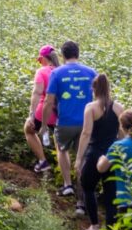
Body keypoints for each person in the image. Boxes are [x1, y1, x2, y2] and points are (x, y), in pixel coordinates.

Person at [41, 41, 97, 200]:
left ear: (63, 55)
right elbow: (100, 98)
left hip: (64, 121)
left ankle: (67, 185)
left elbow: (49, 101)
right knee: (82, 157)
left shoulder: (57, 73)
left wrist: (44, 125)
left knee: (62, 149)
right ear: (77, 54)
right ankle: (82, 199)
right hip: (86, 123)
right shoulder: (91, 72)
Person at [75, 74, 124, 230]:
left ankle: (94, 225)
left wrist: (79, 158)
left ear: (94, 89)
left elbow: (86, 133)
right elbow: (122, 134)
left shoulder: (90, 107)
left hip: (94, 153)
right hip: (113, 154)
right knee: (111, 194)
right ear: (109, 88)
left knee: (88, 187)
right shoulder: (119, 108)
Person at [98, 109, 132, 216]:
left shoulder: (118, 146)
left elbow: (101, 168)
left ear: (121, 127)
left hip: (125, 200)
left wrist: (101, 158)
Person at [25, 45, 61, 174]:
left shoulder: (42, 72)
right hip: (60, 114)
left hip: (43, 112)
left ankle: (43, 161)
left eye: (40, 60)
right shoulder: (62, 70)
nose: (40, 63)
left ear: (44, 58)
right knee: (60, 147)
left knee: (28, 130)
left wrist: (31, 115)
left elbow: (37, 93)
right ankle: (64, 177)